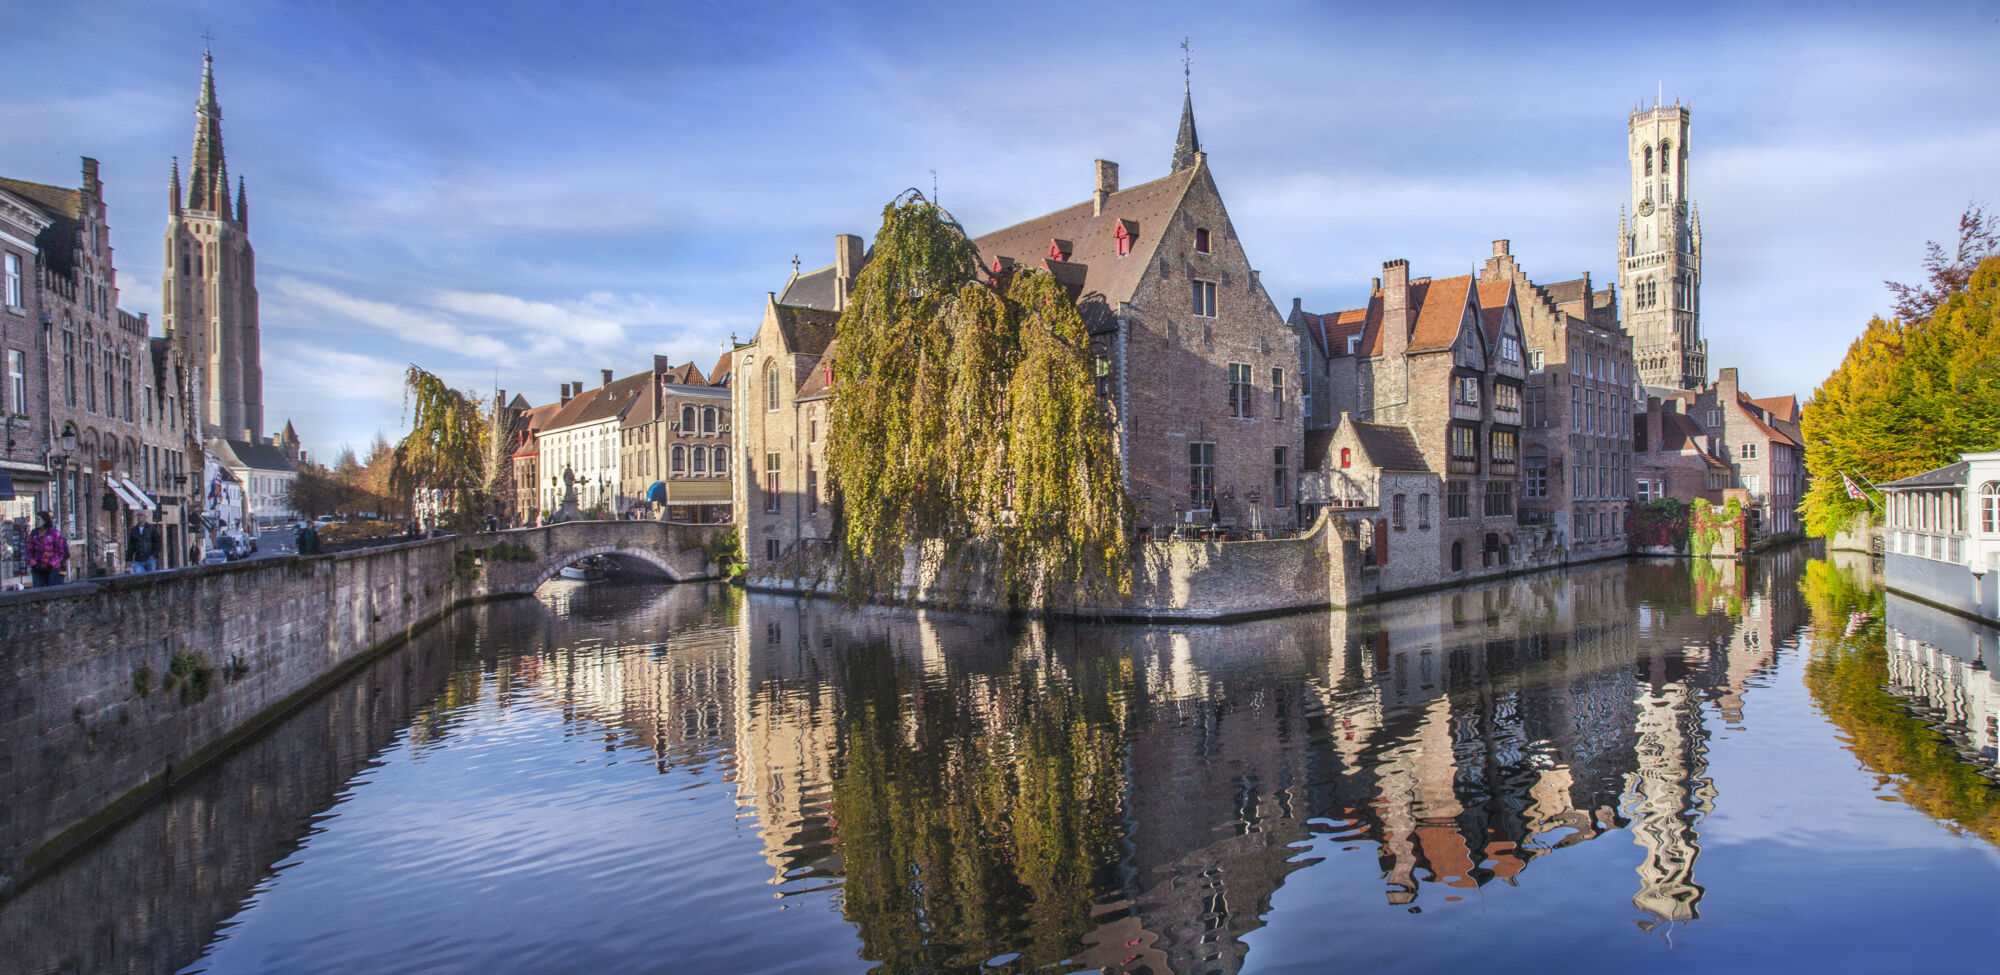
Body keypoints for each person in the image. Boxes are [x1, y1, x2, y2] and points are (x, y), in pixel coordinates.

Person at [27, 511, 67, 587]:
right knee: (38, 592)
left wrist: (52, 563)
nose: (36, 522)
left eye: (38, 520)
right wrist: (33, 563)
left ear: (44, 521)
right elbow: (29, 551)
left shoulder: (54, 533)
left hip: (52, 569)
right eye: (36, 519)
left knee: (52, 591)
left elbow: (60, 552)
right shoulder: (33, 534)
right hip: (37, 569)